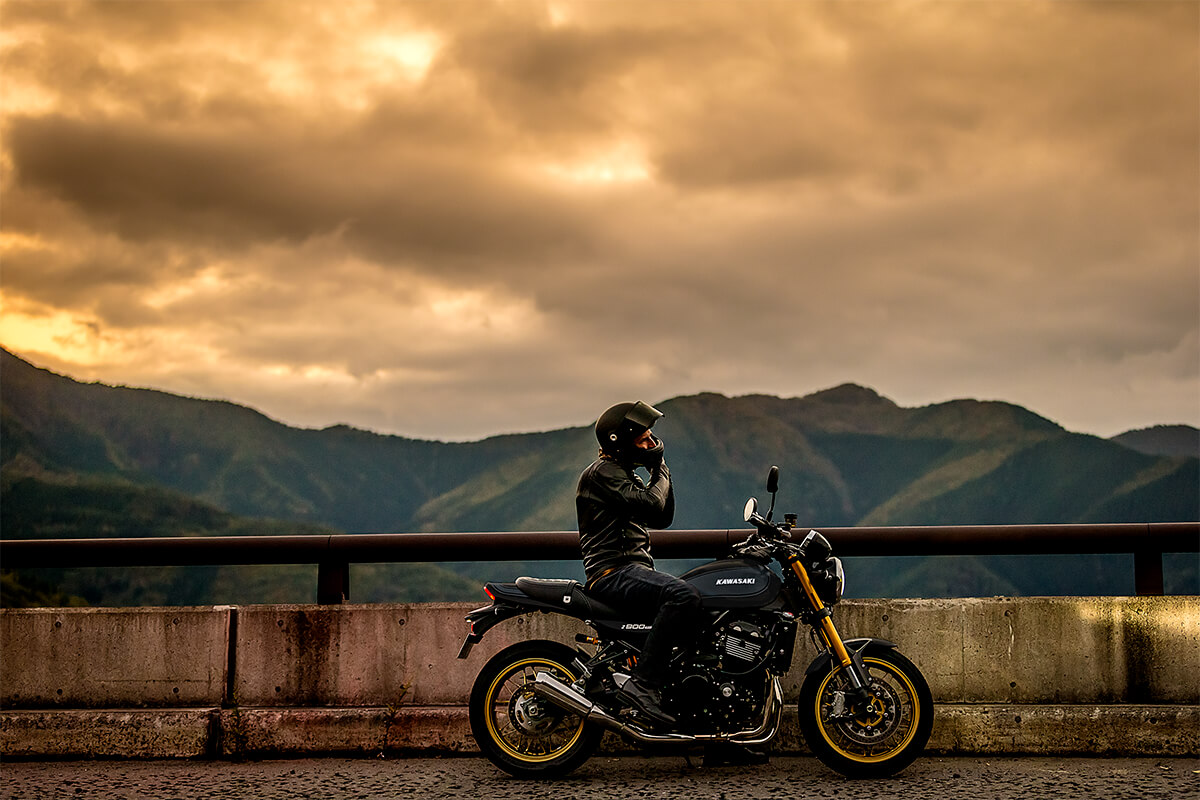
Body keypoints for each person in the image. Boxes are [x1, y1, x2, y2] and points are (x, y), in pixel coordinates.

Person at [575, 400, 702, 727]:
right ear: (621, 441)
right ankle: (643, 686)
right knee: (684, 596)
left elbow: (662, 517)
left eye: (652, 438)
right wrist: (661, 469)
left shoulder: (622, 474)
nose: (652, 444)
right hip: (613, 573)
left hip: (632, 571)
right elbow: (650, 501)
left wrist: (657, 469)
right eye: (644, 439)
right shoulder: (603, 474)